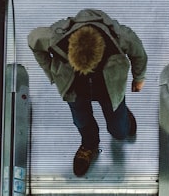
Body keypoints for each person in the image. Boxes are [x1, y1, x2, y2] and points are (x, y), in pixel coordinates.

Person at [28, 9, 147, 177]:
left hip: (108, 86)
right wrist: (52, 72)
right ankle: (89, 144)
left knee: (119, 131)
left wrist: (139, 77)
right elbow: (33, 41)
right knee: (81, 119)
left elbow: (139, 53)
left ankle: (123, 118)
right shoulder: (55, 38)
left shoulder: (119, 38)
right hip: (75, 86)